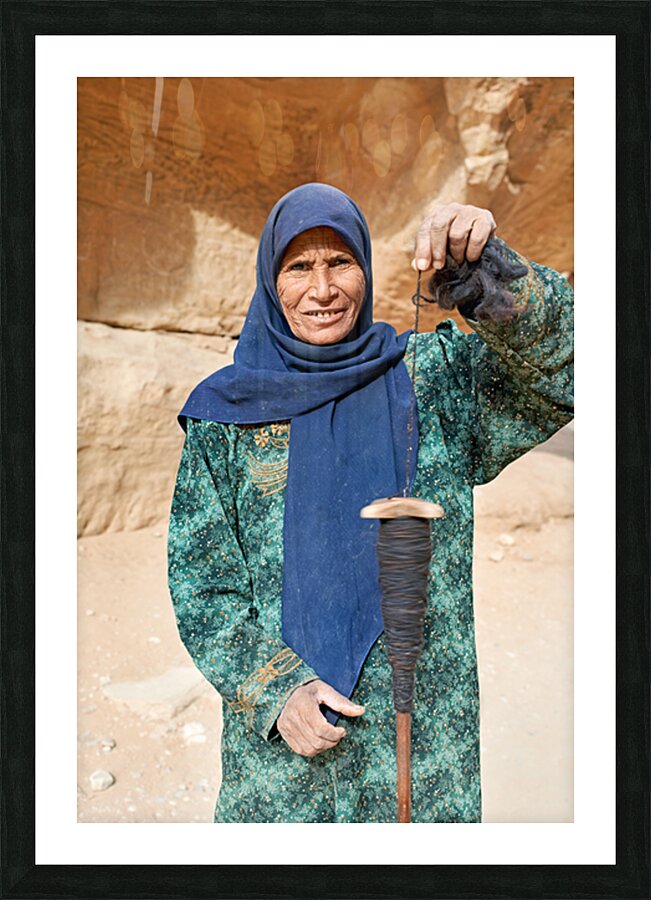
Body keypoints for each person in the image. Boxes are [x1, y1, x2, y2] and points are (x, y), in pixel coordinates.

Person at [168, 182, 573, 823]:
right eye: (299, 267)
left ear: (367, 266)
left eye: (341, 262)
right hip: (288, 768)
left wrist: (490, 273)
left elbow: (570, 371)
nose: (323, 289)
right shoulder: (228, 416)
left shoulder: (432, 381)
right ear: (270, 281)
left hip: (422, 755)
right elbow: (202, 585)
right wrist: (276, 690)